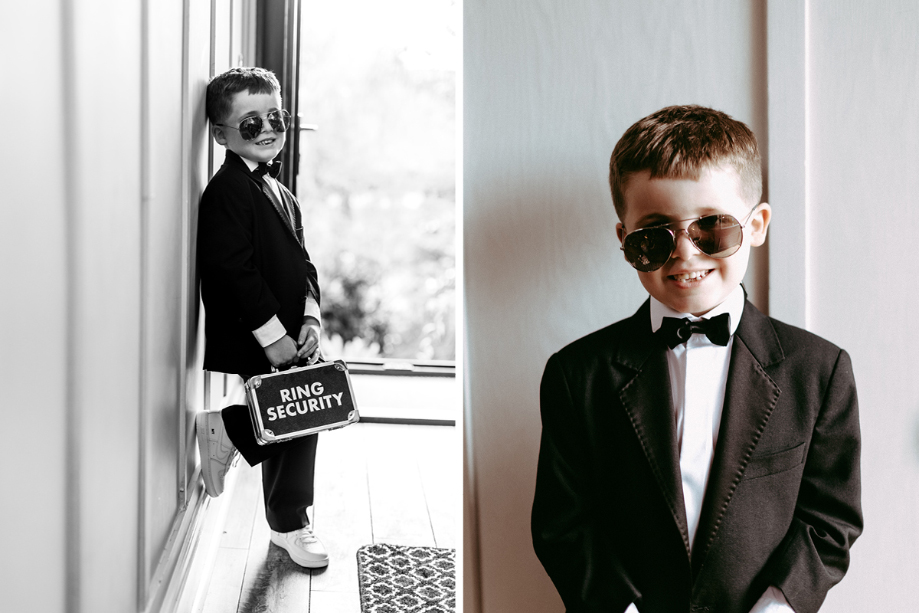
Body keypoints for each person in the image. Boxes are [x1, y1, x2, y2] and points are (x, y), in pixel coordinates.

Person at [531, 105, 862, 613]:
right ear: (625, 241)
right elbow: (564, 524)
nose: (685, 254)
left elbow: (830, 519)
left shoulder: (819, 371)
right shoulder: (578, 375)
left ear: (757, 225)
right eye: (654, 235)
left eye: (712, 228)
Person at [195, 66, 328, 568]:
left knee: (301, 412)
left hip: (294, 333)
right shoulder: (227, 191)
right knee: (301, 411)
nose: (268, 127)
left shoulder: (281, 192)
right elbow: (232, 271)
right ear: (221, 134)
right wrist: (272, 336)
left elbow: (304, 264)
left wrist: (310, 319)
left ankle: (285, 517)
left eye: (275, 116)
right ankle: (287, 519)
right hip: (262, 334)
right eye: (250, 122)